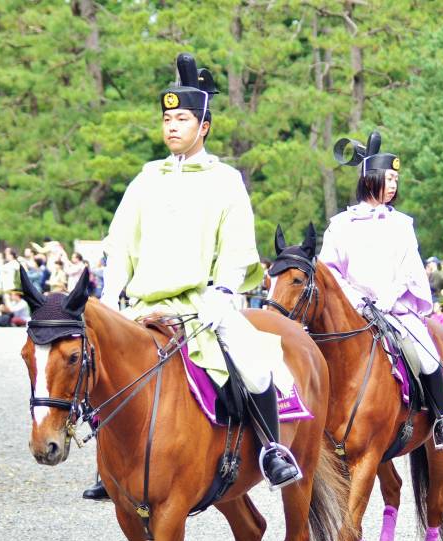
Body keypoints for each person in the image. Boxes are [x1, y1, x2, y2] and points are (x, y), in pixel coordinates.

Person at [99, 52, 301, 500]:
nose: (172, 126)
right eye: (167, 118)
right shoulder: (145, 179)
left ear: (203, 126)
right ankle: (109, 465)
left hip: (204, 304)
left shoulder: (225, 180)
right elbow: (120, 245)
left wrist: (223, 292)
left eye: (182, 118)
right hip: (144, 306)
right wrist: (111, 298)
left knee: (253, 362)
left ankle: (271, 450)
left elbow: (237, 247)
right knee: (101, 368)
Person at [319, 130, 443, 446]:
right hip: (352, 308)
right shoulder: (341, 224)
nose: (394, 184)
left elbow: (411, 268)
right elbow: (329, 269)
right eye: (389, 177)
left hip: (394, 308)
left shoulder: (402, 224)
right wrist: (355, 298)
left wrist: (388, 297)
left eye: (397, 179)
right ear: (370, 178)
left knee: (427, 357)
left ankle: (440, 420)